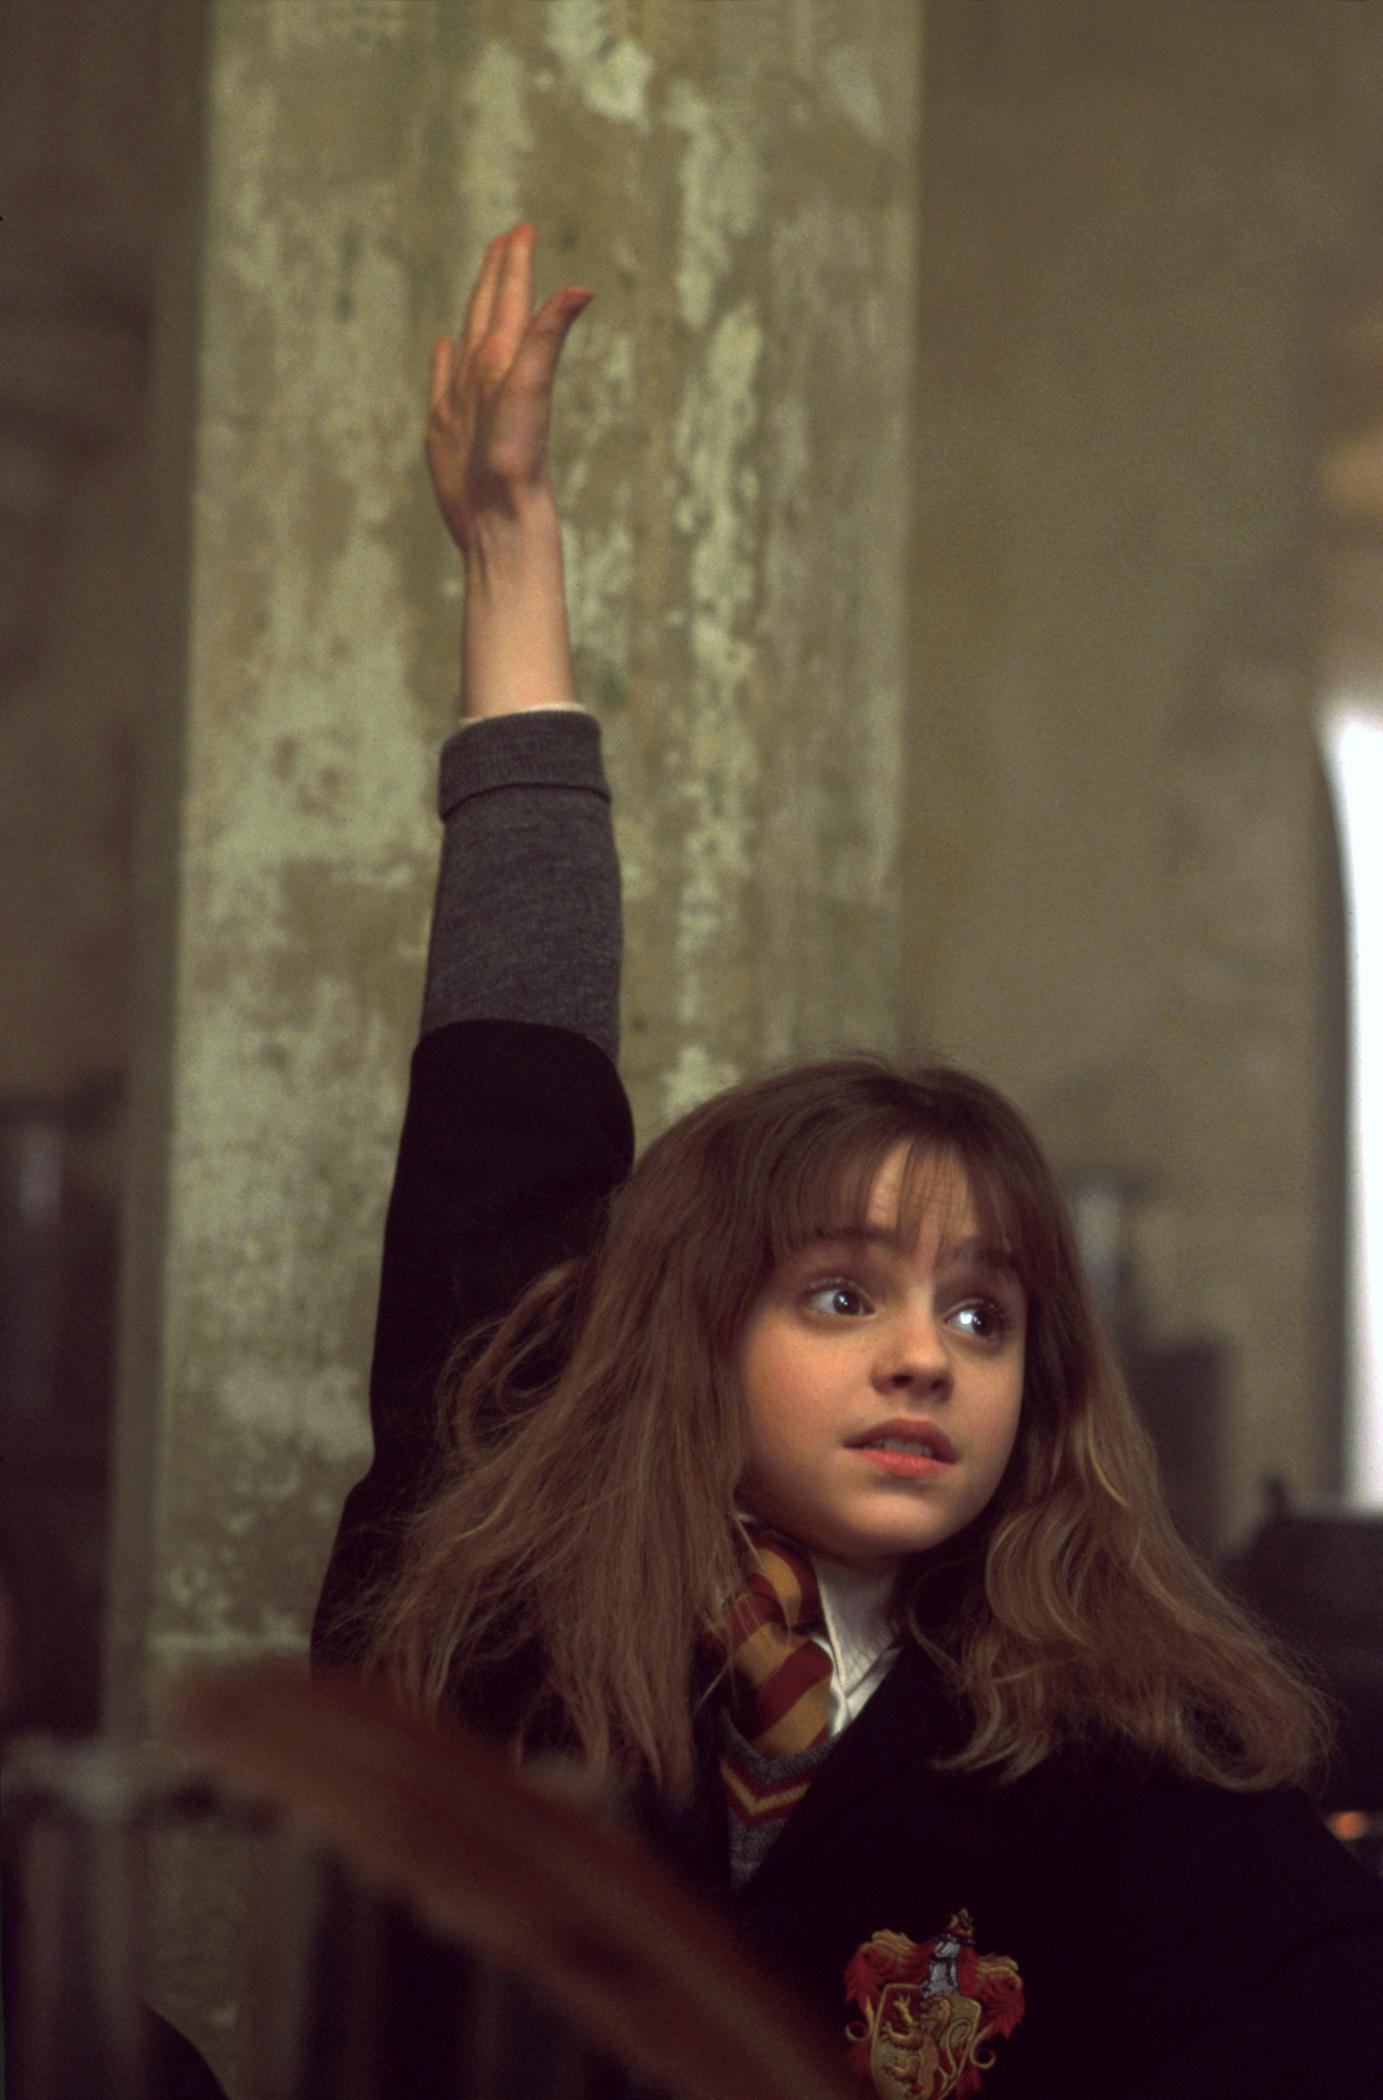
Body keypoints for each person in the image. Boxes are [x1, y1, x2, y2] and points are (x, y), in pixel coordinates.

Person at [312, 223, 1383, 2100]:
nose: (924, 1360)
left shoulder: (1116, 1744)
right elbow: (513, 1074)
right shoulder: (498, 1610)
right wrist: (510, 556)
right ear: (693, 1334)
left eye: (982, 1316)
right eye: (839, 1294)